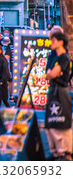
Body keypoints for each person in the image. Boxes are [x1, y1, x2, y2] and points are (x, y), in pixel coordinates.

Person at [45, 32, 72, 161]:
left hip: (61, 92)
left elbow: (53, 73)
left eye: (53, 40)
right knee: (50, 122)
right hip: (53, 91)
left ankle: (65, 152)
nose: (51, 43)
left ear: (61, 42)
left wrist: (53, 73)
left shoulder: (64, 58)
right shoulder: (54, 58)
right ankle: (55, 151)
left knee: (61, 121)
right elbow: (48, 74)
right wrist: (52, 73)